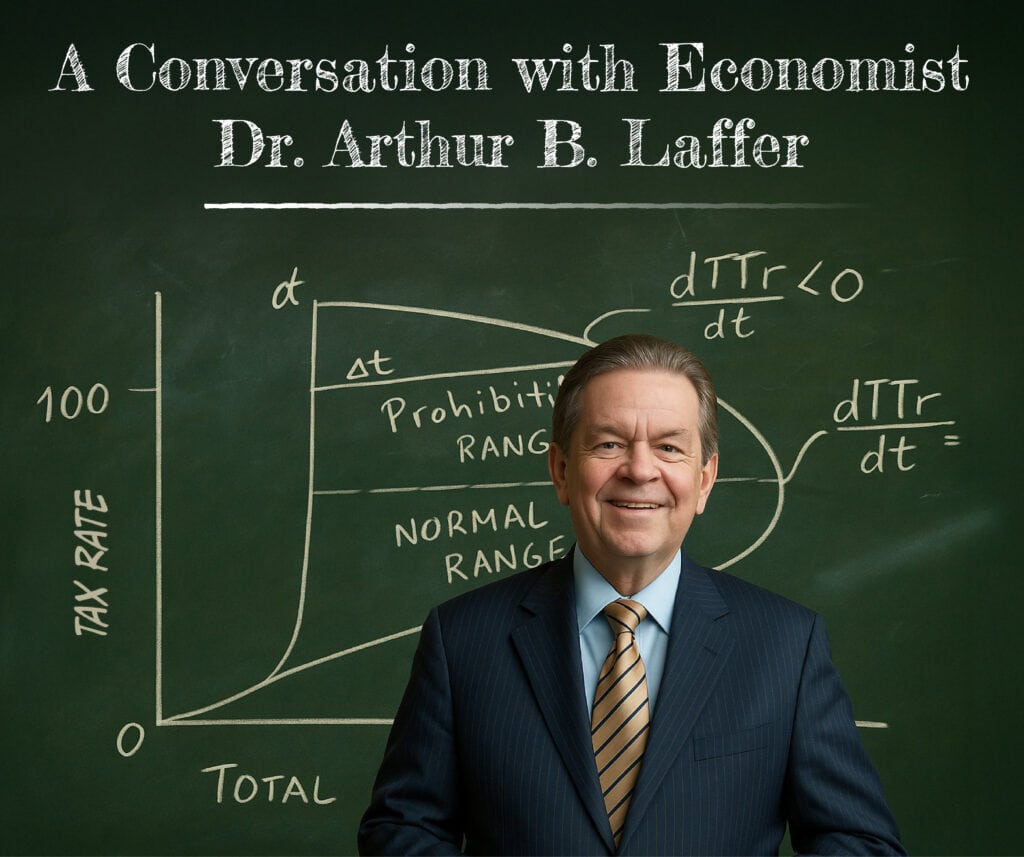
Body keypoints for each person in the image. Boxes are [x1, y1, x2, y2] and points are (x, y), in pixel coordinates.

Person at [358, 334, 905, 855]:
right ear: (561, 471)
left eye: (669, 447)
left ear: (705, 480)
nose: (640, 470)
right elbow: (402, 829)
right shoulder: (462, 638)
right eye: (609, 443)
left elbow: (860, 843)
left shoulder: (788, 644)